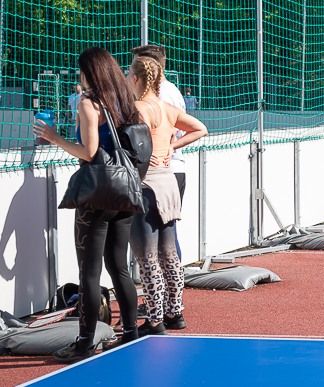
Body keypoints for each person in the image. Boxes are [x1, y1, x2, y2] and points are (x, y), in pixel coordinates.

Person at [33, 48, 143, 362]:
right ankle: (130, 333)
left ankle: (84, 343)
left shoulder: (88, 102)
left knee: (89, 274)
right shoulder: (125, 99)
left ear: (89, 72)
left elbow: (89, 152)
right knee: (119, 267)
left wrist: (54, 137)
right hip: (124, 192)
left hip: (97, 194)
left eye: (81, 70)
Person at [126, 55, 207, 334]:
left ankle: (154, 319)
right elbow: (200, 129)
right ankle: (175, 312)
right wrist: (171, 147)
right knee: (169, 253)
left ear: (136, 78)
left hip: (146, 184)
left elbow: (130, 147)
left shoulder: (137, 109)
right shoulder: (167, 108)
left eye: (128, 74)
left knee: (147, 257)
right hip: (168, 181)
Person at [132, 45, 189, 259]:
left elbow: (163, 132)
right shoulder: (169, 90)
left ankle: (169, 281)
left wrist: (169, 147)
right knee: (166, 240)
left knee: (161, 244)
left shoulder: (161, 94)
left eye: (136, 64)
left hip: (162, 171)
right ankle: (173, 280)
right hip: (169, 169)